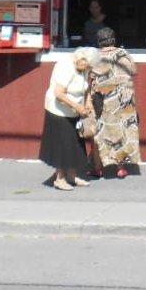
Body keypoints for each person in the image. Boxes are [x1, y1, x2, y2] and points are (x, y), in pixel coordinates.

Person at [41, 46, 99, 191]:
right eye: (88, 66)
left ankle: (72, 176)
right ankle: (60, 179)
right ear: (82, 60)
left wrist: (88, 102)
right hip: (59, 111)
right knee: (64, 145)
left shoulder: (84, 67)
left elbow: (86, 88)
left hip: (75, 111)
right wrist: (77, 106)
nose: (88, 69)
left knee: (76, 144)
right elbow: (59, 93)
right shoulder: (66, 66)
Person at [89, 27, 140, 179]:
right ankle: (120, 168)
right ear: (113, 39)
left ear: (99, 41)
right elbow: (134, 71)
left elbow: (91, 76)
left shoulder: (95, 56)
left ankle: (97, 168)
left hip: (104, 97)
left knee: (98, 132)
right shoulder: (123, 53)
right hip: (125, 98)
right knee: (122, 131)